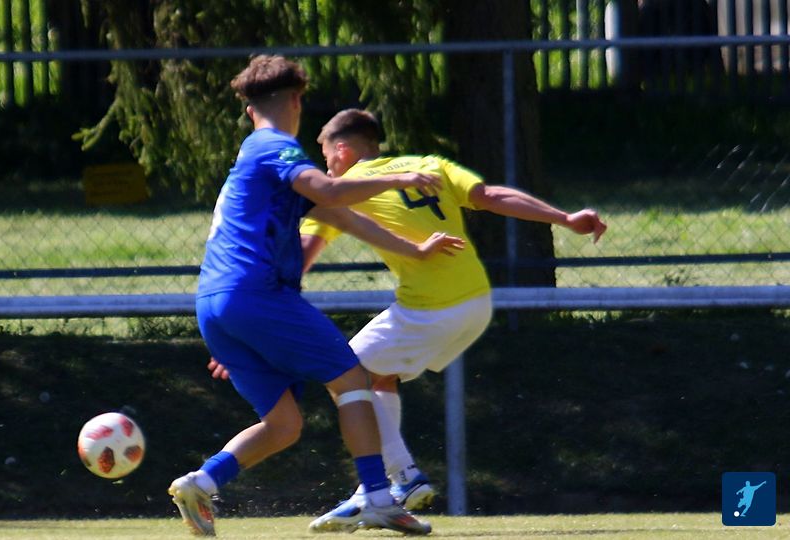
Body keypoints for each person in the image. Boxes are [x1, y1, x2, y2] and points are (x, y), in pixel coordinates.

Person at [210, 108, 607, 531]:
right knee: (377, 377)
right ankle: (374, 490)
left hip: (431, 307)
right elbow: (492, 196)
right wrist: (565, 218)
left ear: (341, 150)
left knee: (345, 375)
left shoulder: (345, 189)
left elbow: (302, 256)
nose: (327, 169)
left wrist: (252, 328)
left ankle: (401, 478)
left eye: (326, 158)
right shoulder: (428, 165)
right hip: (476, 302)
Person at [170, 56, 463, 537]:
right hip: (257, 295)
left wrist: (414, 250)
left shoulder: (257, 158)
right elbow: (327, 187)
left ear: (249, 110)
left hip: (217, 305)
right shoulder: (273, 146)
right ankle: (378, 497)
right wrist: (401, 177)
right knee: (352, 377)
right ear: (296, 101)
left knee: (283, 425)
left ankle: (201, 482)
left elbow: (342, 214)